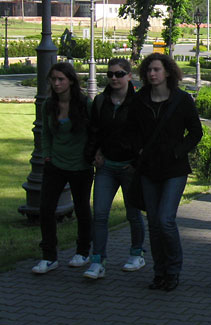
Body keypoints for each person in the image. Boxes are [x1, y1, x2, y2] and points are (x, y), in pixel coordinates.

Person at [129, 53, 202, 291]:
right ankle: (159, 271)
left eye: (157, 70)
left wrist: (177, 152)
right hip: (149, 168)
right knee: (153, 223)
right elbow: (132, 130)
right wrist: (138, 150)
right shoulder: (140, 100)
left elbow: (196, 132)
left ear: (168, 72)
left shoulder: (181, 100)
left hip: (174, 169)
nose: (152, 74)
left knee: (165, 220)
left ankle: (173, 270)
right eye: (149, 70)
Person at [83, 58, 146, 280]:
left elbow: (144, 136)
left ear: (129, 76)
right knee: (100, 214)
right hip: (107, 167)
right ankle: (97, 260)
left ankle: (136, 253)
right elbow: (95, 131)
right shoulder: (101, 101)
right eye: (110, 74)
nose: (114, 78)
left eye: (119, 74)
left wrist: (136, 163)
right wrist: (94, 153)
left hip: (129, 167)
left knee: (133, 214)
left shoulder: (138, 103)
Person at [32, 62, 93, 275]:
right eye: (53, 79)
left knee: (82, 208)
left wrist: (93, 154)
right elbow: (46, 133)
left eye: (61, 79)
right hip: (55, 164)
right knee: (46, 208)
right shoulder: (49, 105)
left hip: (80, 165)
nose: (56, 83)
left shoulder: (84, 104)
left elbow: (95, 132)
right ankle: (49, 256)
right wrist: (47, 154)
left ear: (71, 81)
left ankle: (82, 251)